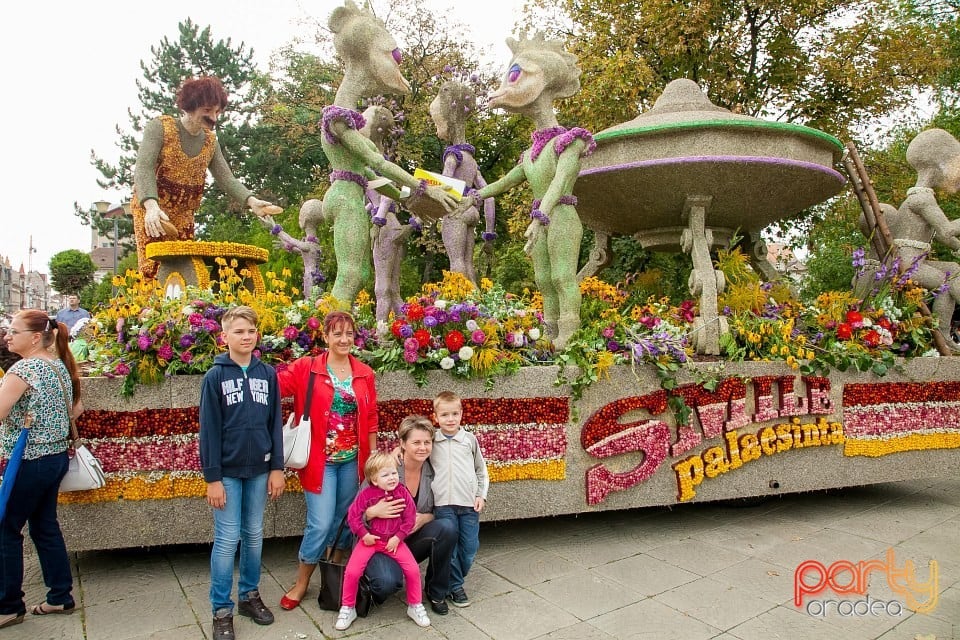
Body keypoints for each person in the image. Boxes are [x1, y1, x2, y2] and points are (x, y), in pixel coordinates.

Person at [322, 1, 455, 306]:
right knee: (351, 275)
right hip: (344, 197)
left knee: (358, 275)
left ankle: (335, 333)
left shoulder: (347, 122)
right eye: (393, 57)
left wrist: (408, 199)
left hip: (348, 191)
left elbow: (372, 178)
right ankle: (328, 341)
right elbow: (378, 163)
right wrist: (427, 188)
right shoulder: (340, 119)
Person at [276, 310, 378, 611]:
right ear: (326, 336)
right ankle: (302, 581)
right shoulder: (307, 368)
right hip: (319, 461)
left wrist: (370, 459)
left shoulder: (364, 373)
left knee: (345, 521)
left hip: (352, 461)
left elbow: (371, 417)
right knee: (320, 524)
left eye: (349, 333)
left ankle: (332, 573)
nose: (344, 339)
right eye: (338, 333)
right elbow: (273, 386)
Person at [131, 76, 280, 278]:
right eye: (207, 110)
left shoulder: (210, 142)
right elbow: (143, 168)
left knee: (183, 270)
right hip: (154, 212)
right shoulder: (161, 128)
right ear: (191, 107)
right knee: (153, 268)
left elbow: (226, 178)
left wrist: (252, 201)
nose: (214, 117)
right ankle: (150, 308)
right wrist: (150, 206)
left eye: (217, 112)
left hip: (184, 216)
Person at [199, 306, 285, 640]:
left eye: (250, 331)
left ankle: (249, 595)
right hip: (227, 474)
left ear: (257, 335)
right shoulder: (215, 377)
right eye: (238, 331)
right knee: (226, 539)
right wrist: (213, 478)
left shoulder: (268, 374)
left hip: (260, 469)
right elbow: (209, 430)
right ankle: (222, 610)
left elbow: (274, 423)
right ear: (225, 337)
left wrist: (276, 467)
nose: (245, 337)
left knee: (253, 534)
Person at [0, 311, 82, 629]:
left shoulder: (25, 368)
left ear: (35, 337)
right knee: (45, 527)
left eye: (13, 330)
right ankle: (60, 596)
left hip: (28, 461)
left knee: (6, 529)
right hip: (53, 458)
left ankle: (8, 605)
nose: (8, 335)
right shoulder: (56, 364)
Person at [363, 415, 457, 616]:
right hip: (379, 543)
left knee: (448, 526)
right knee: (387, 584)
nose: (422, 447)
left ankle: (436, 591)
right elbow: (354, 513)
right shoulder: (385, 469)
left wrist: (426, 518)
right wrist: (373, 512)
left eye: (427, 442)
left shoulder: (434, 470)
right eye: (416, 442)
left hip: (409, 540)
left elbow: (437, 510)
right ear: (402, 444)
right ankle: (370, 576)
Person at [335, 452, 430, 630]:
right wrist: (364, 535)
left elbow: (409, 519)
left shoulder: (402, 492)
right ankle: (348, 607)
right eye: (385, 475)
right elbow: (353, 517)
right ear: (374, 479)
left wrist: (398, 537)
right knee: (352, 572)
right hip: (369, 541)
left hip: (394, 542)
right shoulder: (366, 494)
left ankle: (415, 605)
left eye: (394, 473)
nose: (392, 477)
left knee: (413, 570)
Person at [430, 391, 489, 608]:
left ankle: (449, 581)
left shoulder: (469, 440)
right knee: (450, 548)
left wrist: (480, 495)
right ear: (435, 417)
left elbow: (480, 470)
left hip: (469, 505)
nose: (450, 419)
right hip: (444, 505)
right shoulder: (432, 441)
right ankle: (455, 586)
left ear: (462, 414)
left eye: (455, 413)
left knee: (469, 548)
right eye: (444, 415)